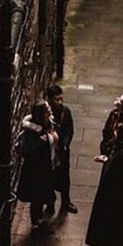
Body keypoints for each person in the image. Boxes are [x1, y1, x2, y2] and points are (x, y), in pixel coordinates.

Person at [16, 100, 59, 235]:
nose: (51, 110)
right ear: (42, 114)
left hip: (48, 168)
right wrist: (41, 143)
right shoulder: (32, 132)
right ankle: (37, 224)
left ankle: (41, 222)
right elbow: (28, 153)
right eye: (48, 109)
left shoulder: (49, 124)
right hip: (37, 172)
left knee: (47, 197)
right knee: (37, 200)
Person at [45, 84, 78, 215]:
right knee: (49, 178)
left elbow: (70, 130)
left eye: (61, 99)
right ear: (50, 100)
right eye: (56, 99)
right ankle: (50, 205)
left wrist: (65, 144)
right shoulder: (46, 114)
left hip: (63, 152)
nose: (59, 102)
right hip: (50, 152)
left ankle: (66, 202)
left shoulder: (66, 112)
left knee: (65, 177)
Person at [97, 94, 123, 162]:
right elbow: (106, 131)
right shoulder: (114, 114)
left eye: (120, 100)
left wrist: (108, 160)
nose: (117, 98)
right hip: (109, 155)